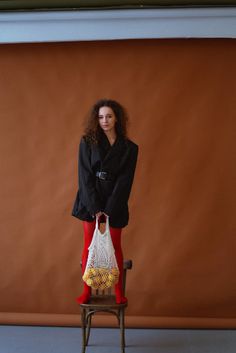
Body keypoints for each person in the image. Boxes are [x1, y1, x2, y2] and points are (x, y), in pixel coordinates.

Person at [72, 99, 138, 304]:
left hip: (114, 201)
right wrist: (95, 208)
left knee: (115, 246)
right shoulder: (87, 142)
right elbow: (84, 177)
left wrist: (109, 209)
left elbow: (125, 181)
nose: (105, 121)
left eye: (109, 116)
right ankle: (87, 291)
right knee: (89, 246)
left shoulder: (129, 148)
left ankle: (118, 291)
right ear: (96, 119)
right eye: (100, 117)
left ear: (117, 117)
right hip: (90, 200)